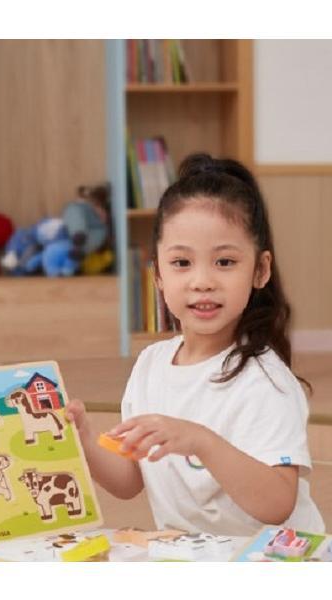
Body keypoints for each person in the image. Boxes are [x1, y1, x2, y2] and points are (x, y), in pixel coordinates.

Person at [66, 153, 324, 536]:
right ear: (157, 275)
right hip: (192, 554)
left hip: (276, 558)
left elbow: (276, 504)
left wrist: (200, 441)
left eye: (224, 262)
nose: (202, 281)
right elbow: (129, 480)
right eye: (182, 263)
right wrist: (84, 440)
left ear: (260, 270)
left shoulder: (266, 381)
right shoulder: (150, 365)